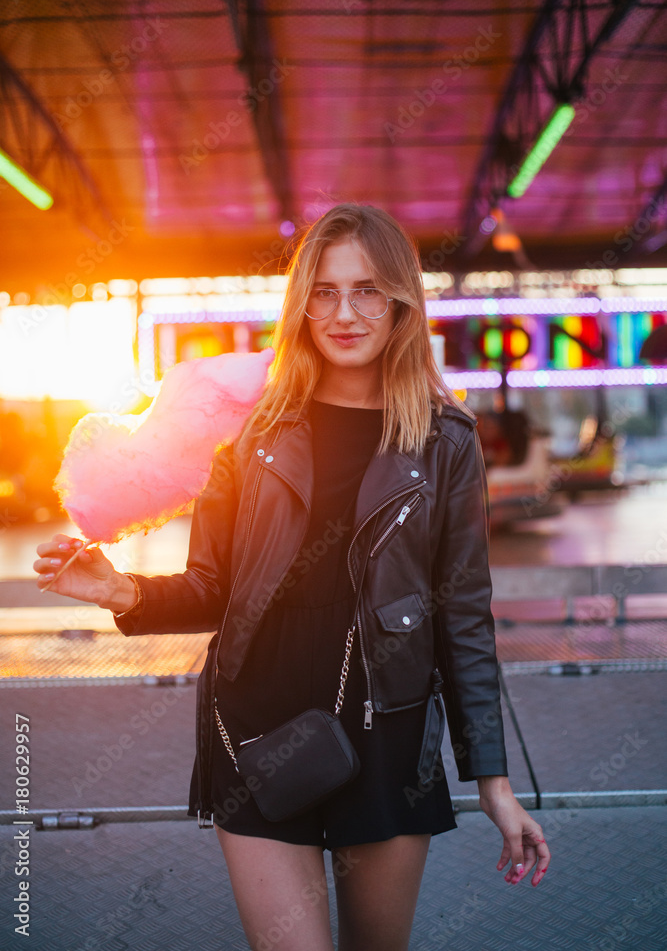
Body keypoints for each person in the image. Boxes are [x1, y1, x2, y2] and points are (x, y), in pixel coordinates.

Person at [34, 203, 550, 951]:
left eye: (367, 290)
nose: (344, 312)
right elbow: (216, 588)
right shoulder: (248, 432)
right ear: (300, 302)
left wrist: (494, 785)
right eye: (324, 290)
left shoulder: (445, 443)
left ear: (401, 299)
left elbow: (462, 619)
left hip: (388, 745)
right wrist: (122, 591)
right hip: (256, 735)